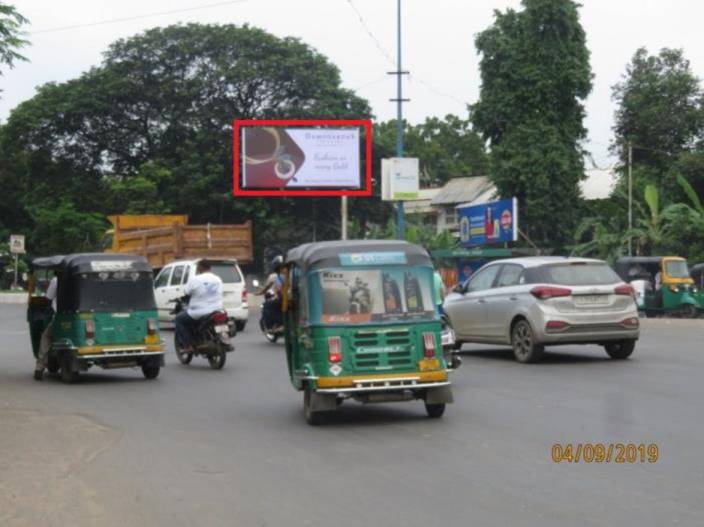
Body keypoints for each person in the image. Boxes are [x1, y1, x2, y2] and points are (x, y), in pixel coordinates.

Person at [175, 260, 224, 353]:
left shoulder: (195, 279)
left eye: (198, 267)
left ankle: (188, 346)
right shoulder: (218, 279)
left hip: (199, 312)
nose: (197, 269)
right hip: (217, 310)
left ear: (200, 268)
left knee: (179, 319)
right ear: (210, 268)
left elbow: (186, 292)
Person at [34, 275, 58, 381]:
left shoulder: (56, 280)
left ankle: (39, 367)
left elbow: (48, 297)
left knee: (45, 337)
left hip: (60, 317)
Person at [257, 256, 284, 330]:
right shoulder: (292, 272)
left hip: (284, 299)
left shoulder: (275, 276)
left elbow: (277, 289)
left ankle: (274, 325)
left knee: (267, 305)